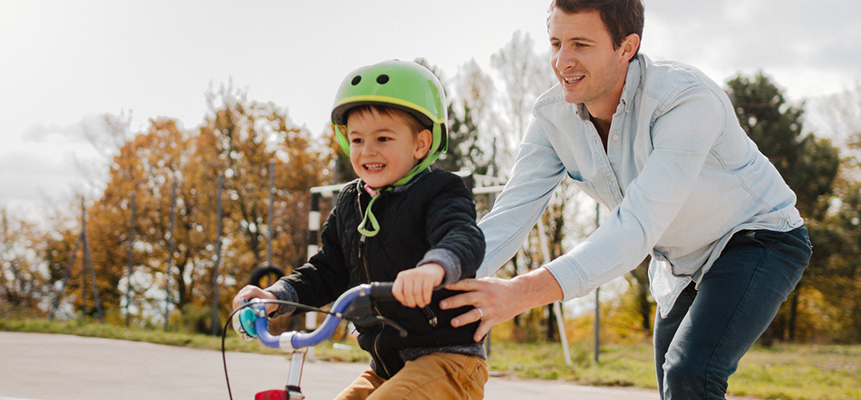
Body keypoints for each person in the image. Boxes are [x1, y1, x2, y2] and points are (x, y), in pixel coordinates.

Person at [438, 1, 812, 399]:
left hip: (759, 239)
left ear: (626, 47)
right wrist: (428, 278)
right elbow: (507, 217)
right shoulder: (551, 118)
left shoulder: (685, 100)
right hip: (679, 261)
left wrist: (520, 292)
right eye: (555, 43)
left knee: (690, 372)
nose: (563, 61)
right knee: (674, 382)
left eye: (581, 44)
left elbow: (636, 226)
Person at [231, 60, 488, 400]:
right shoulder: (351, 202)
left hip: (447, 361)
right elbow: (327, 269)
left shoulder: (441, 190)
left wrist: (433, 267)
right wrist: (277, 295)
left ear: (421, 144)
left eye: (383, 138)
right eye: (356, 139)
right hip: (385, 366)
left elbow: (462, 236)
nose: (367, 151)